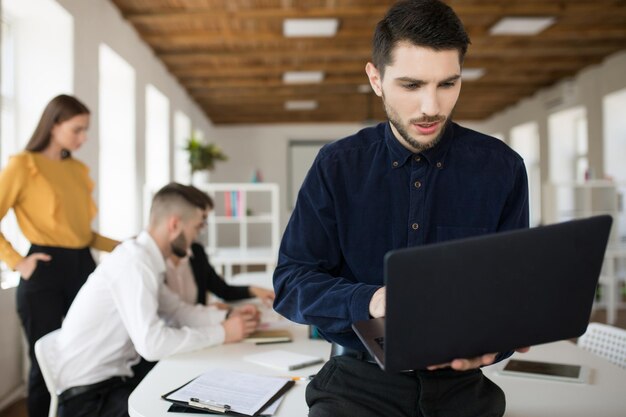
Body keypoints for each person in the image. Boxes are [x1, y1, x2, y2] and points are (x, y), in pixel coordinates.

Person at [273, 1, 530, 416]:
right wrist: (372, 300)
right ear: (376, 79)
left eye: (448, 84)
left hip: (463, 388)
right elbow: (291, 282)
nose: (431, 106)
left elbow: (510, 292)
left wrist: (497, 340)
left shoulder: (503, 169)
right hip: (356, 384)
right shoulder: (336, 166)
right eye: (411, 85)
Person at [54, 183, 259, 417]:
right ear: (174, 225)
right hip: (89, 399)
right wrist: (223, 333)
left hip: (112, 384)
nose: (195, 238)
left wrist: (227, 317)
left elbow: (177, 311)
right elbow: (152, 345)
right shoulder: (135, 263)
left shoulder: (144, 259)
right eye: (196, 227)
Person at [0, 94, 119, 417]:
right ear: (54, 125)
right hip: (44, 269)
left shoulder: (77, 170)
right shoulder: (22, 165)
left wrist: (123, 246)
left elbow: (82, 233)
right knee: (44, 362)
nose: (83, 138)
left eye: (86, 131)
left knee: (94, 350)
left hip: (83, 264)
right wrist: (17, 263)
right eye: (77, 130)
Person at [165, 190, 275, 308]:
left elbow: (223, 290)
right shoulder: (157, 263)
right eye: (199, 223)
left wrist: (254, 290)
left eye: (203, 223)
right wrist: (212, 312)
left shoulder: (196, 252)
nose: (200, 231)